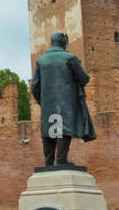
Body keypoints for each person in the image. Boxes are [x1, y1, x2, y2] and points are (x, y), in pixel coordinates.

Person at [30, 31, 96, 165]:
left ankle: (48, 161)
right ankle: (61, 160)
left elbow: (34, 87)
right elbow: (84, 78)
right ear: (63, 43)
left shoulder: (40, 61)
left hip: (48, 105)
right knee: (63, 128)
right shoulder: (69, 58)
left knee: (49, 129)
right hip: (66, 103)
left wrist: (42, 101)